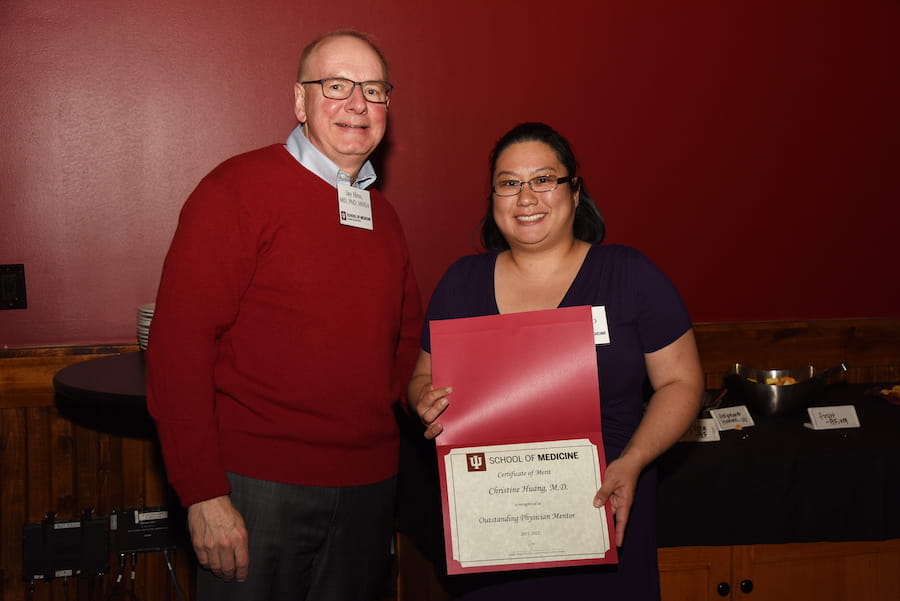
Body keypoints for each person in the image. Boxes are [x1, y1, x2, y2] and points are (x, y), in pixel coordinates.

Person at [146, 30, 422, 601]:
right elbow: (178, 349)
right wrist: (201, 492)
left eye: (373, 90)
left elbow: (403, 341)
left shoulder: (384, 216)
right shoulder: (235, 191)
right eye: (337, 86)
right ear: (300, 101)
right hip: (255, 491)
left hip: (370, 487)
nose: (357, 104)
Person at [406, 122, 703, 600]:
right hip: (493, 526)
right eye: (509, 183)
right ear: (493, 196)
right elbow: (422, 376)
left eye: (544, 179)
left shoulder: (629, 275)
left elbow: (682, 383)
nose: (526, 197)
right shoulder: (461, 283)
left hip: (603, 510)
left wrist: (634, 462)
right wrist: (422, 399)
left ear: (575, 190)